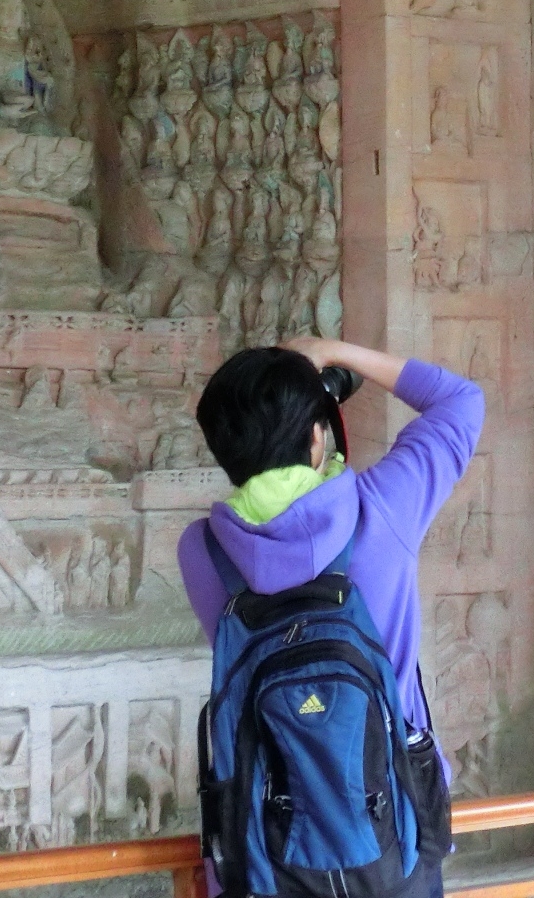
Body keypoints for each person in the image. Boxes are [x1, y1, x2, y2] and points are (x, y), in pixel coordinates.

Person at [179, 338, 485, 897]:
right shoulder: (381, 510)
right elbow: (461, 401)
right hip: (396, 852)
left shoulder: (205, 552)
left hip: (266, 866)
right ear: (318, 437)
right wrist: (334, 351)